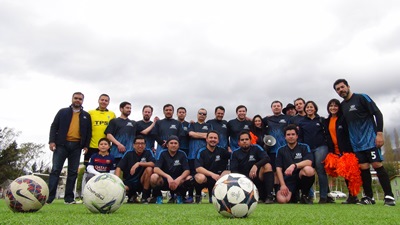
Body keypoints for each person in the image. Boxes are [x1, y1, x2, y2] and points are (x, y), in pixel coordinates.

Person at [334, 78, 396, 206]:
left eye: (342, 87)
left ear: (348, 86)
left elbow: (378, 114)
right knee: (364, 168)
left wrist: (379, 133)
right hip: (356, 144)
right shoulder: (343, 106)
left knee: (377, 164)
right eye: (338, 89)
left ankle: (389, 196)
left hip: (370, 140)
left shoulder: (362, 97)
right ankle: (368, 197)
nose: (341, 90)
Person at [47, 92, 92, 204]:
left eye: (80, 99)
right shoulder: (62, 112)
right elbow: (54, 126)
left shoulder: (86, 115)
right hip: (61, 145)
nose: (78, 100)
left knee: (73, 172)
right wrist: (52, 141)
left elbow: (88, 132)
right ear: (72, 99)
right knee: (56, 170)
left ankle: (69, 198)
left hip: (77, 146)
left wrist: (86, 145)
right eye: (76, 98)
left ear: (83, 101)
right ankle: (49, 197)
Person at [323, 99, 361, 204]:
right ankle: (331, 195)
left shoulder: (343, 119)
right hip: (334, 151)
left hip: (346, 151)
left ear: (339, 108)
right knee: (340, 173)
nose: (333, 108)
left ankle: (354, 196)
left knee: (350, 174)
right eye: (331, 106)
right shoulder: (326, 121)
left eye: (335, 106)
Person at [297, 101, 333, 204]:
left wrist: (330, 148)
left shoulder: (321, 120)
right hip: (308, 149)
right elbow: (300, 137)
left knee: (320, 169)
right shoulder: (302, 122)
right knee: (308, 170)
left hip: (321, 147)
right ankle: (308, 196)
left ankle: (323, 197)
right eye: (307, 107)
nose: (309, 109)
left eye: (311, 107)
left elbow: (327, 135)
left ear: (315, 108)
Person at [82, 94, 116, 191]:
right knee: (88, 171)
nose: (104, 102)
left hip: (106, 147)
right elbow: (86, 130)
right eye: (102, 100)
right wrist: (85, 145)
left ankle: (105, 192)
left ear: (108, 102)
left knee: (107, 171)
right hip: (92, 146)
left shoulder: (112, 114)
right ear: (98, 100)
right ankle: (85, 193)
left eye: (106, 100)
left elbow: (113, 131)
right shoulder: (91, 113)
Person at [230, 131, 275, 203]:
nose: (244, 141)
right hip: (244, 182)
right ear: (239, 142)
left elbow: (267, 158)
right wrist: (244, 180)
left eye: (246, 139)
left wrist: (255, 166)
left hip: (257, 178)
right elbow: (233, 170)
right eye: (242, 140)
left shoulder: (256, 148)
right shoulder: (235, 153)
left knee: (267, 166)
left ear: (250, 141)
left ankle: (269, 196)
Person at [276, 124, 315, 204]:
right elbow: (278, 169)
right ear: (285, 137)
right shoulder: (280, 150)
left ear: (297, 136)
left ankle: (304, 195)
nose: (291, 136)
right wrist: (283, 185)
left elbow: (309, 162)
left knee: (309, 170)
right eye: (288, 135)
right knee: (282, 200)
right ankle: (294, 195)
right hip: (288, 180)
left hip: (300, 177)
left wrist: (294, 165)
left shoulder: (304, 147)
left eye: (293, 134)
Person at [150, 136, 192, 204]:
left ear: (178, 145)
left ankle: (180, 196)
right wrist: (168, 177)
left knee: (189, 178)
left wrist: (179, 179)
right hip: (165, 180)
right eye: (171, 143)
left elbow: (187, 170)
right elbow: (156, 169)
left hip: (178, 181)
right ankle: (158, 196)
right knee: (154, 177)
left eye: (175, 143)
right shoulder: (162, 153)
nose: (173, 145)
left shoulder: (182, 154)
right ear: (167, 145)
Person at [115, 135, 155, 204]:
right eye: (138, 143)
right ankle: (131, 196)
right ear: (133, 145)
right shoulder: (128, 153)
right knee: (122, 189)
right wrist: (116, 182)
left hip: (142, 182)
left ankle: (145, 197)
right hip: (130, 182)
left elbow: (153, 164)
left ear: (145, 145)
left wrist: (139, 163)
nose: (140, 146)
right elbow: (119, 167)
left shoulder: (148, 152)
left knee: (149, 169)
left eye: (142, 143)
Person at [263, 100, 291, 195]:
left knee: (285, 171)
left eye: (278, 106)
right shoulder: (267, 119)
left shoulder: (287, 118)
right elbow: (256, 122)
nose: (276, 107)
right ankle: (275, 193)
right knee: (275, 172)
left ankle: (289, 192)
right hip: (272, 150)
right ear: (271, 108)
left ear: (281, 107)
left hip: (285, 149)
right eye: (274, 106)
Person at [194, 131, 230, 203]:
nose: (213, 139)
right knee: (199, 177)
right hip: (206, 177)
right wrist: (212, 174)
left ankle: (217, 196)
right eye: (211, 137)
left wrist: (225, 173)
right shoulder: (201, 151)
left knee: (228, 173)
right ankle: (198, 196)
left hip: (218, 178)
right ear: (206, 139)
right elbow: (198, 168)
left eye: (215, 138)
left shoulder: (222, 150)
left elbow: (232, 160)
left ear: (218, 140)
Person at [186, 108, 212, 203]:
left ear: (206, 116)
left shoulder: (209, 125)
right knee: (192, 176)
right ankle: (191, 196)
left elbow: (209, 135)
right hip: (192, 155)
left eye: (204, 114)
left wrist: (197, 134)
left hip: (204, 156)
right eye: (200, 113)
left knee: (205, 176)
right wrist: (203, 135)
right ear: (197, 114)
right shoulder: (192, 124)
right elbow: (190, 134)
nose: (202, 115)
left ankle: (209, 196)